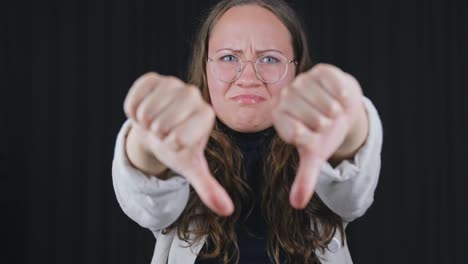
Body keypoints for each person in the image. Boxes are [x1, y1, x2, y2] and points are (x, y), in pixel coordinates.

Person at [112, 0, 383, 263]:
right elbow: (149, 202)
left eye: (269, 59)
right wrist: (147, 140)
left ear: (296, 69)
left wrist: (351, 122)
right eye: (229, 57)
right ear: (205, 68)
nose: (249, 78)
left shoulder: (318, 145)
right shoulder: (184, 146)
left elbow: (352, 191)